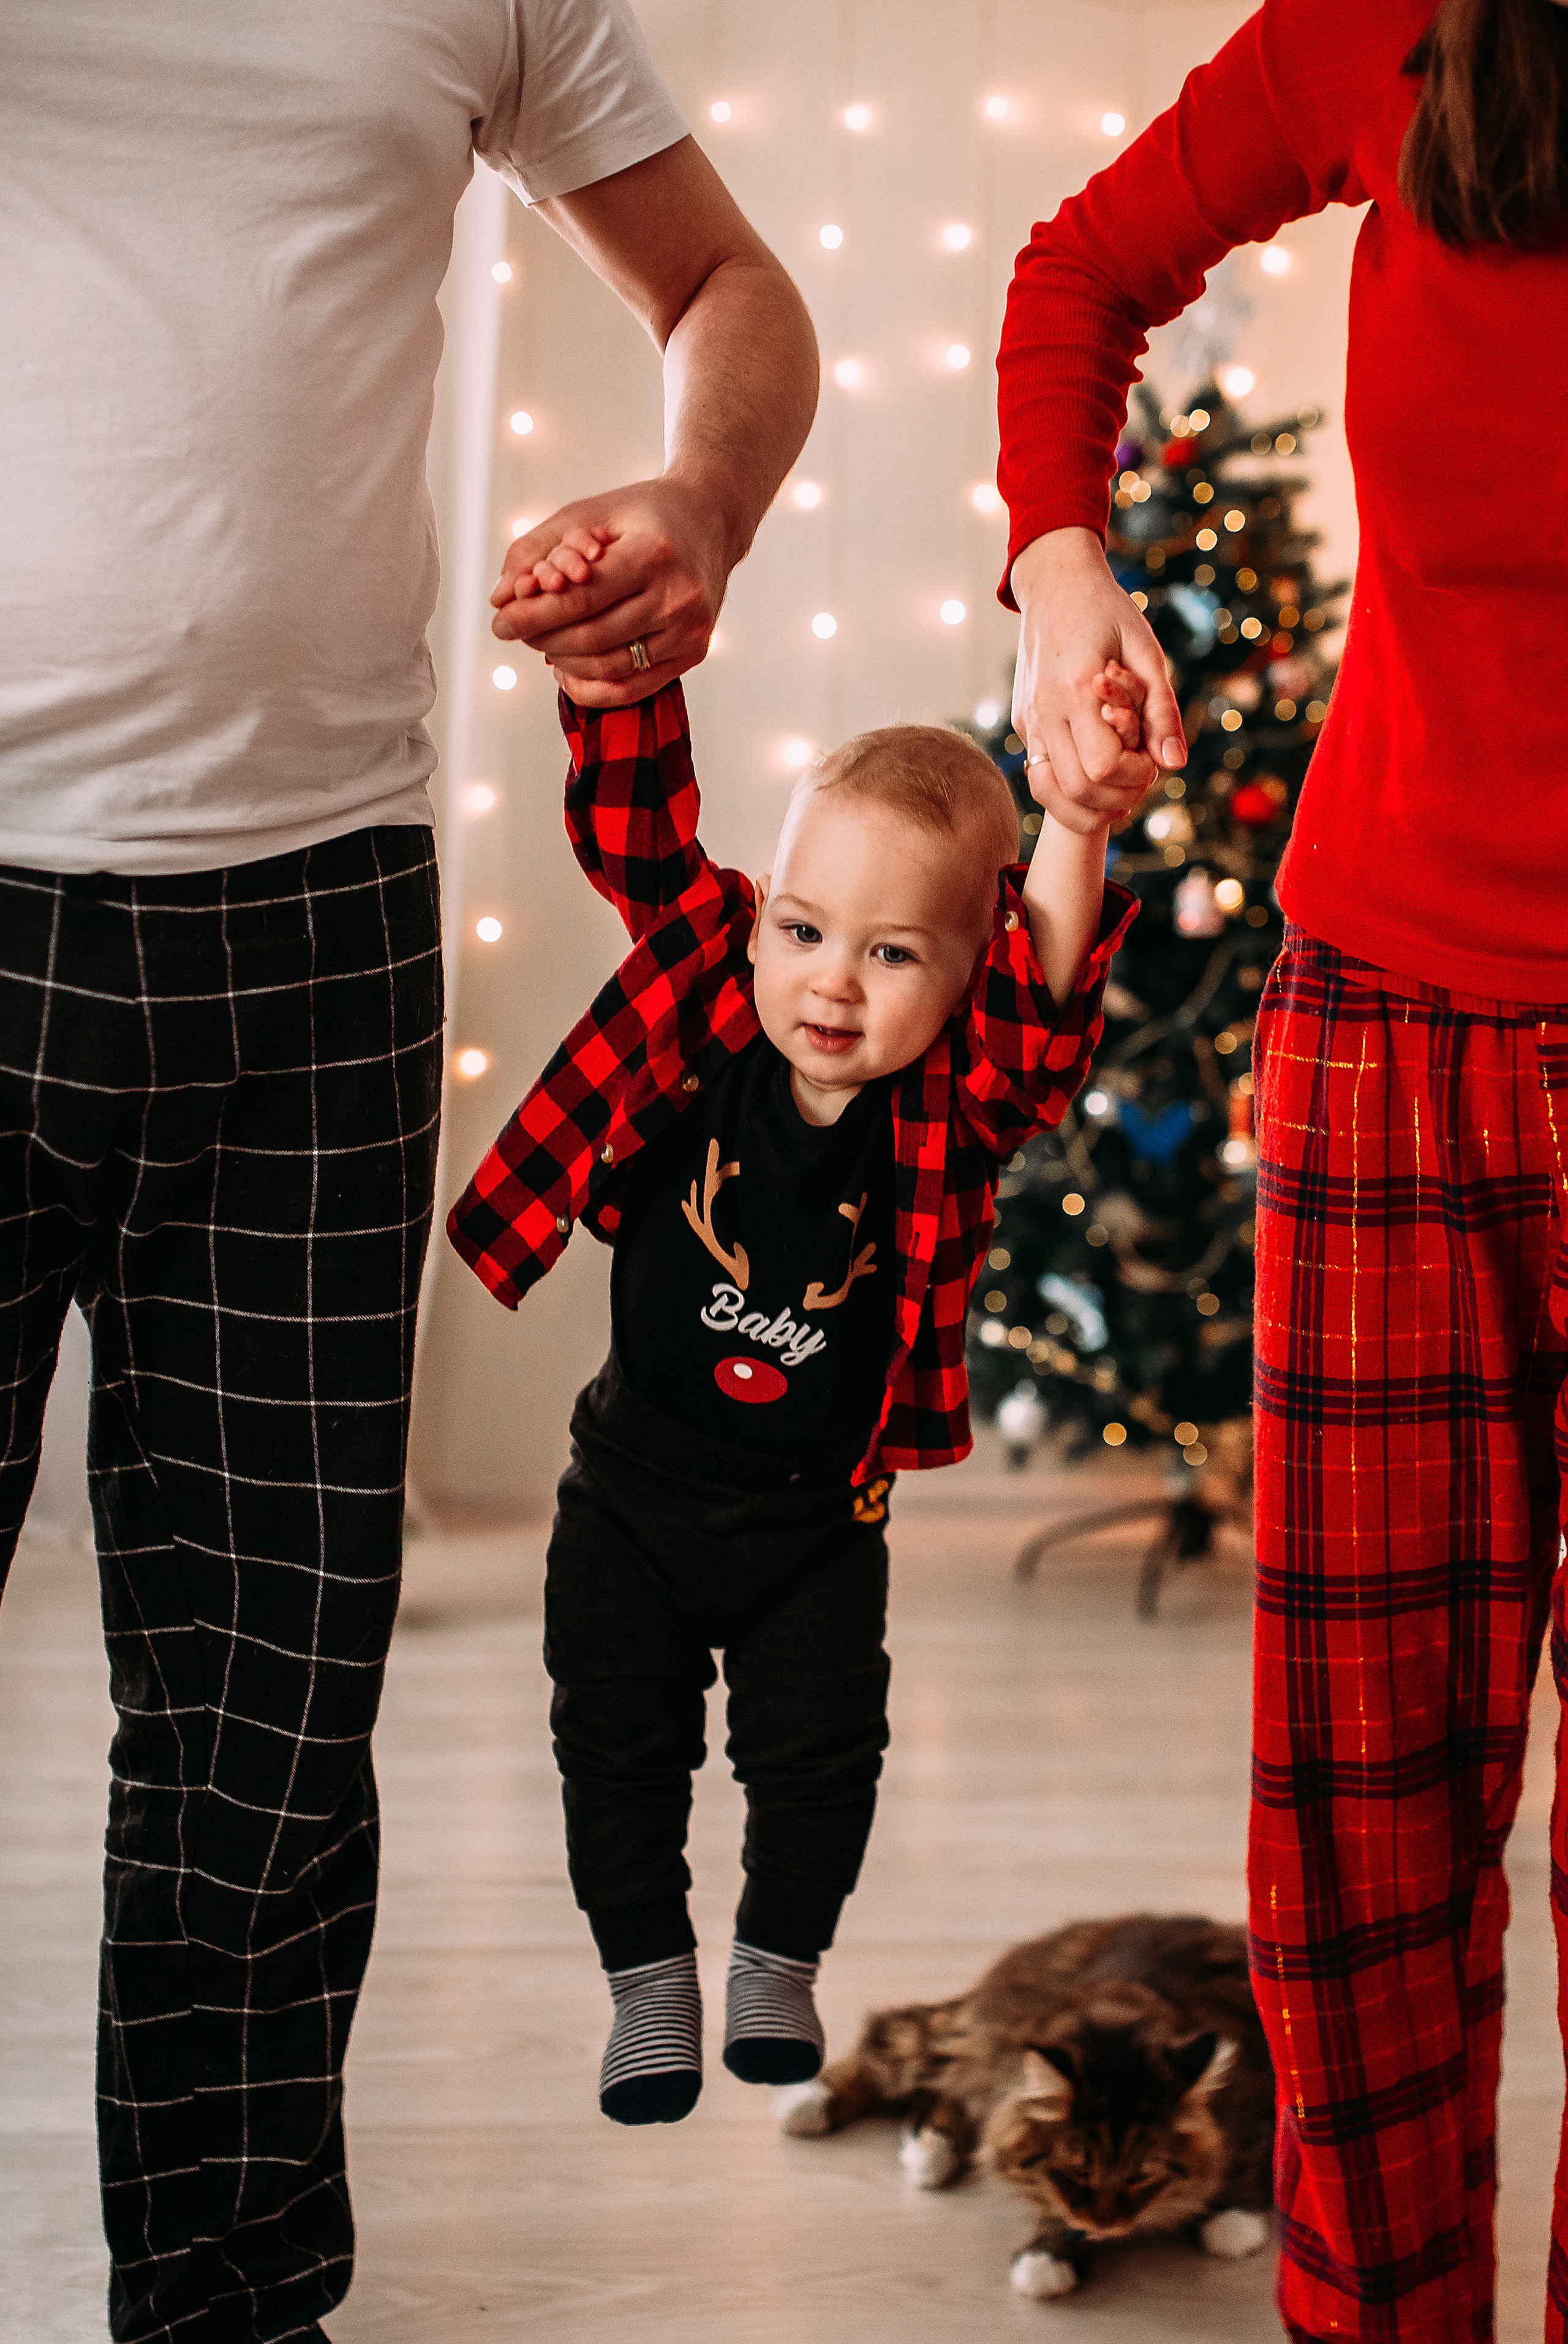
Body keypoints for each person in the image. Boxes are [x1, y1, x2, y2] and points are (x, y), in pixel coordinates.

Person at [0, 5, 816, 2337]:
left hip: (316, 932)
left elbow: (729, 291)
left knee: (267, 1711)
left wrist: (702, 505)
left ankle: (236, 2300)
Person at [995, 0, 1568, 2335]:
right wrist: (1062, 569)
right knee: (1364, 1847)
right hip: (1398, 1046)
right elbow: (1075, 271)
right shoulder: (1403, 28)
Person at [447, 529, 1137, 2124]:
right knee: (615, 1750)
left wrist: (1077, 825)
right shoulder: (699, 1015)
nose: (833, 982)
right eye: (808, 929)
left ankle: (774, 1954)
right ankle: (646, 1977)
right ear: (761, 922)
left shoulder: (953, 1106)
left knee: (821, 1756)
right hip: (628, 1500)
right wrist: (614, 672)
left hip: (819, 1524)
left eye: (896, 954)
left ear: (963, 976)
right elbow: (640, 838)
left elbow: (1043, 1024)